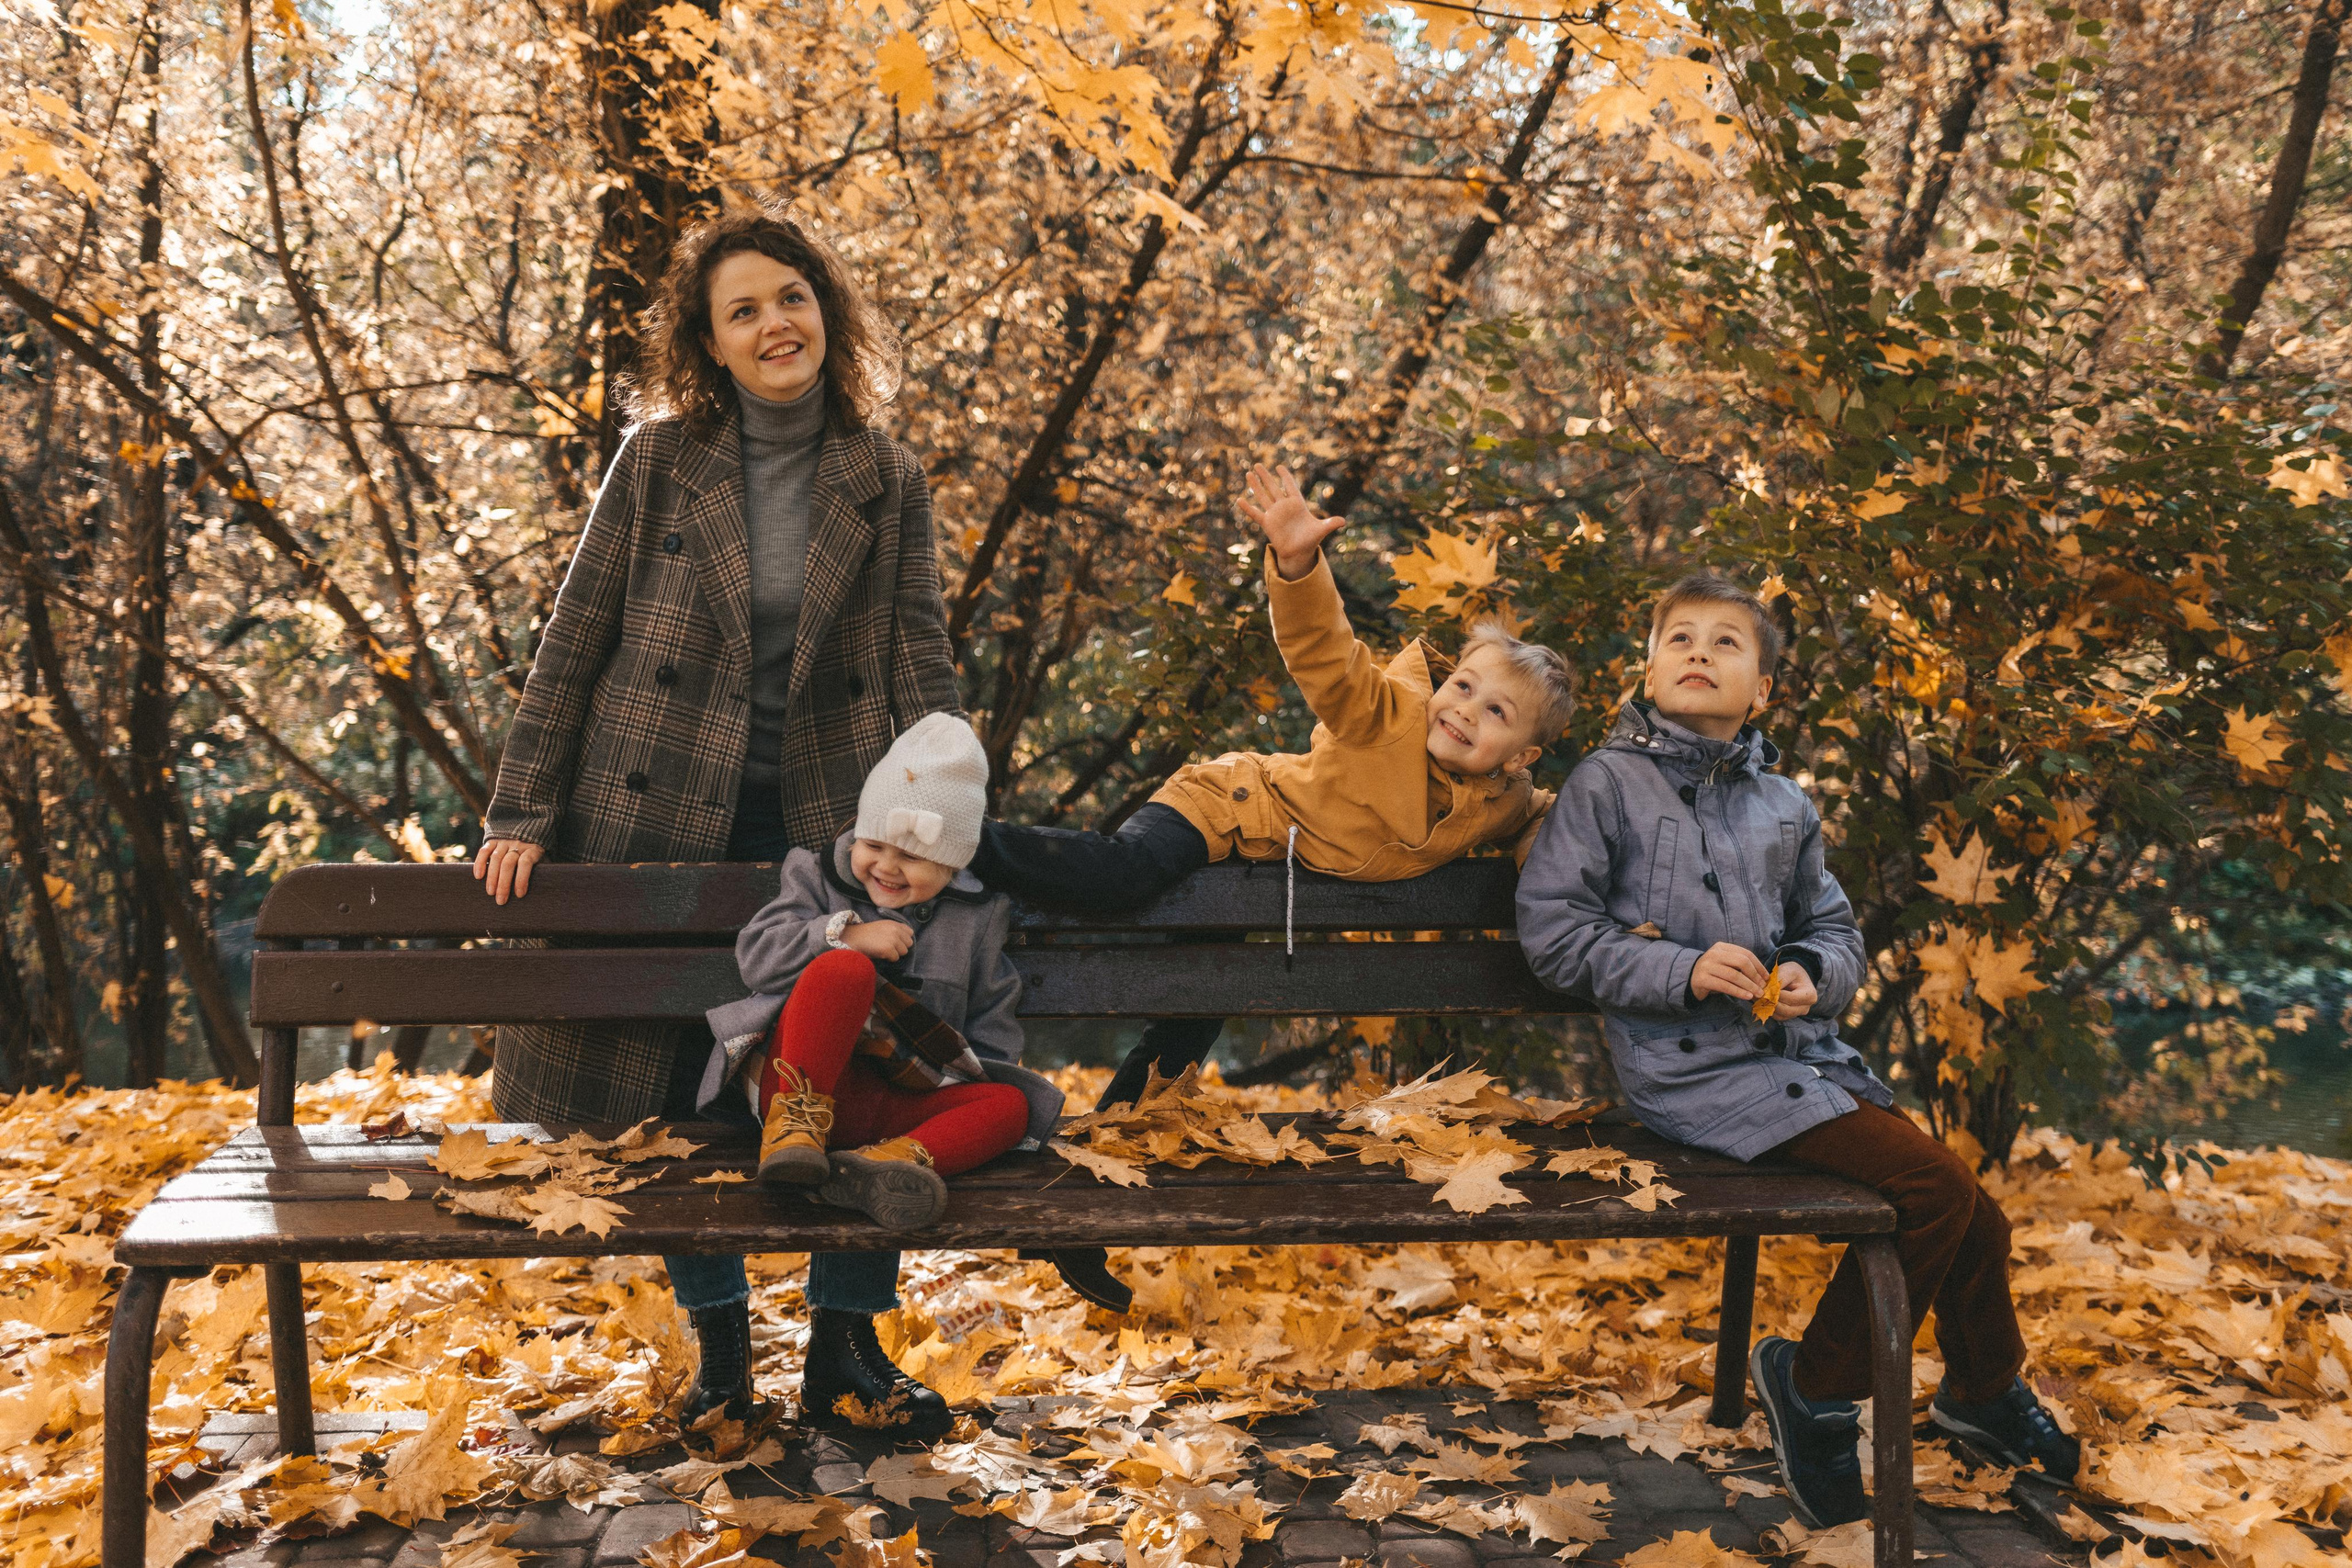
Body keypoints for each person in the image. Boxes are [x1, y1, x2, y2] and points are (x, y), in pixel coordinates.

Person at [470, 206, 963, 1442]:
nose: (772, 323)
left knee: (854, 1080)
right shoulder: (658, 459)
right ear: (713, 342)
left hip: (827, 825)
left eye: (790, 297)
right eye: (741, 309)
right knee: (675, 1090)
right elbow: (575, 637)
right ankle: (722, 1352)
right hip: (654, 814)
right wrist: (524, 806)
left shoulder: (885, 473)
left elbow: (920, 661)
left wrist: (940, 814)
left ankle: (847, 1350)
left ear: (824, 312)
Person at [1512, 572, 2078, 1529]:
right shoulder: (1606, 784)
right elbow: (1553, 935)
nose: (1698, 652)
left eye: (1725, 643)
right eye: (1678, 638)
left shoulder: (1783, 802)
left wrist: (1817, 968)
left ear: (1763, 691)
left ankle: (1978, 1394)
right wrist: (1683, 970)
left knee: (1971, 1216)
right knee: (1934, 1191)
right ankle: (1814, 1389)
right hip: (1687, 1072)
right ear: (1647, 670)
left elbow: (1835, 928)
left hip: (1797, 1059)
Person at [968, 463, 1577, 1314]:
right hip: (1227, 809)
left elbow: (1551, 837)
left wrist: (1598, 887)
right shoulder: (1388, 714)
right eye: (1462, 686)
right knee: (1122, 876)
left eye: (1496, 713)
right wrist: (1297, 568)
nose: (1465, 710)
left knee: (1186, 1027)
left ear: (1520, 755)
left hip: (1261, 878)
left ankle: (1072, 1207)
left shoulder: (1506, 800)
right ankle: (963, 837)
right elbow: (1330, 661)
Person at [697, 714, 1061, 1441]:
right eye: (875, 844)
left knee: (1013, 1103)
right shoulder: (816, 876)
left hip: (899, 1104)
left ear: (954, 862)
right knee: (843, 972)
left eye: (914, 856)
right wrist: (844, 933)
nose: (887, 866)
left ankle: (891, 1168)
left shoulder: (976, 916)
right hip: (800, 1089)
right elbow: (758, 955)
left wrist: (973, 1087)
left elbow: (992, 1017)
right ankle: (797, 1131)